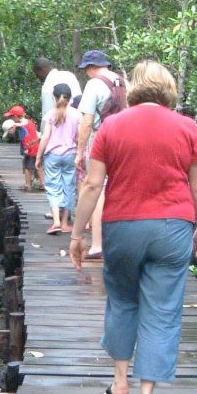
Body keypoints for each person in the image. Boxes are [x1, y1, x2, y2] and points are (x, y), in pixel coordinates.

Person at [69, 60, 197, 394]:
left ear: (134, 88)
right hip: (173, 228)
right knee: (161, 311)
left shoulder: (111, 126)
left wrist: (77, 234)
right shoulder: (187, 127)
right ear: (168, 89)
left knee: (122, 301)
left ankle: (119, 384)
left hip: (122, 226)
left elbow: (91, 185)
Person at [74, 50, 125, 260]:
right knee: (120, 188)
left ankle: (97, 244)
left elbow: (86, 122)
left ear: (91, 68)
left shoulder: (94, 84)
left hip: (101, 138)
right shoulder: (123, 81)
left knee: (97, 188)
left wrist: (79, 152)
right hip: (125, 139)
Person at [35, 84, 80, 234]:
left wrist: (38, 156)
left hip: (53, 155)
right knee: (69, 187)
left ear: (54, 98)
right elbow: (79, 138)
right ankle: (65, 223)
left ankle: (55, 221)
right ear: (70, 97)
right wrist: (80, 155)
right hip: (70, 155)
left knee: (53, 186)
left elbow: (45, 137)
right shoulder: (77, 114)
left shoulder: (50, 114)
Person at [32, 57, 82, 132]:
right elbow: (79, 99)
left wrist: (43, 135)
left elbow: (47, 114)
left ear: (41, 70)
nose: (37, 77)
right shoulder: (69, 75)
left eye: (36, 74)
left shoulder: (47, 85)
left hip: (60, 127)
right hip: (77, 123)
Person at [2, 104, 42, 192]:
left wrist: (26, 149)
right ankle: (42, 183)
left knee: (27, 167)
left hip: (30, 148)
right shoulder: (28, 121)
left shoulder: (22, 126)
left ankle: (28, 185)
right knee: (38, 165)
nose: (10, 119)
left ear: (16, 117)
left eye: (11, 117)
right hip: (36, 147)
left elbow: (26, 137)